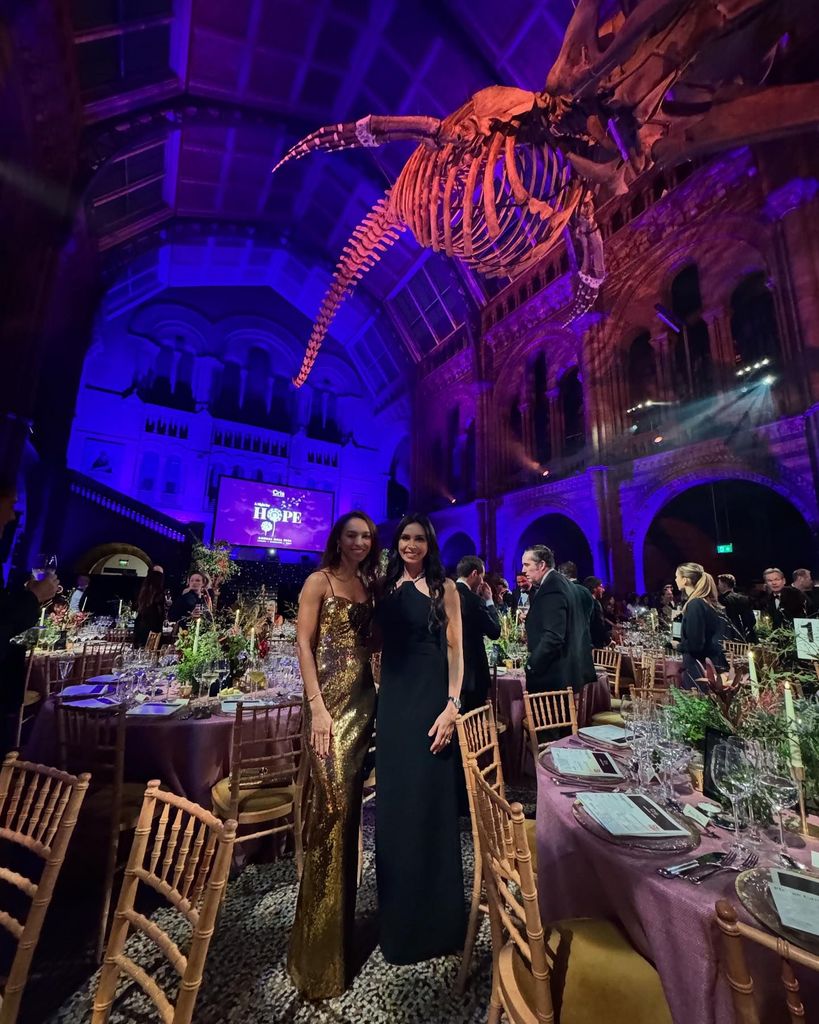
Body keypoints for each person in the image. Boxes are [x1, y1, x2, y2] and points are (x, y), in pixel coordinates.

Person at [288, 512, 379, 998]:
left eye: (366, 536)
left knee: (348, 822)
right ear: (338, 539)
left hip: (366, 705)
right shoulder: (317, 580)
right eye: (352, 535)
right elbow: (303, 643)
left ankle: (340, 939)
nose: (360, 542)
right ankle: (316, 958)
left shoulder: (369, 584)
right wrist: (316, 707)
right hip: (329, 708)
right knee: (331, 813)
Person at [374, 514, 465, 965]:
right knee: (395, 810)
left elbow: (457, 652)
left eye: (419, 539)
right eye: (405, 538)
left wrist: (452, 706)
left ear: (429, 544)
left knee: (431, 806)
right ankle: (398, 924)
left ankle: (438, 924)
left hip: (433, 705)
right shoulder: (382, 586)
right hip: (392, 707)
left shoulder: (446, 588)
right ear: (397, 543)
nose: (411, 545)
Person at [522, 546, 596, 694]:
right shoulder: (564, 583)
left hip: (554, 678)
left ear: (542, 565)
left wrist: (531, 665)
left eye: (527, 565)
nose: (523, 570)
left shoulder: (552, 587)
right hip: (569, 674)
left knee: (549, 718)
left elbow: (554, 637)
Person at [455, 555, 501, 713]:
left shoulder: (445, 595)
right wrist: (489, 601)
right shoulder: (474, 601)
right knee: (473, 722)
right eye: (482, 576)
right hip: (473, 673)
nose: (482, 582)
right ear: (474, 574)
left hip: (450, 671)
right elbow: (495, 632)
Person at [675, 563, 729, 690]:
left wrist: (677, 645)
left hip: (699, 668)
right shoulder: (705, 603)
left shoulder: (695, 604)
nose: (675, 580)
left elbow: (695, 645)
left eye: (677, 576)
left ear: (685, 580)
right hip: (709, 664)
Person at [558, 561, 594, 655]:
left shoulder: (562, 591)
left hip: (567, 646)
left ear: (561, 575)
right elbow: (592, 617)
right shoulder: (586, 591)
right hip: (585, 642)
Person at [716, 574, 757, 642]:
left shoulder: (721, 600)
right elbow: (752, 620)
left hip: (728, 637)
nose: (718, 586)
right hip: (746, 637)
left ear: (724, 585)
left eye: (719, 583)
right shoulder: (745, 599)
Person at [133, 567, 166, 648]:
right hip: (152, 630)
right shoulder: (159, 594)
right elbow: (160, 615)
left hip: (141, 627)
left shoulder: (143, 590)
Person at [583, 576, 612, 648]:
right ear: (594, 588)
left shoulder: (583, 602)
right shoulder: (595, 603)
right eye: (601, 586)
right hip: (596, 644)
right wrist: (608, 640)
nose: (603, 589)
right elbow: (600, 625)